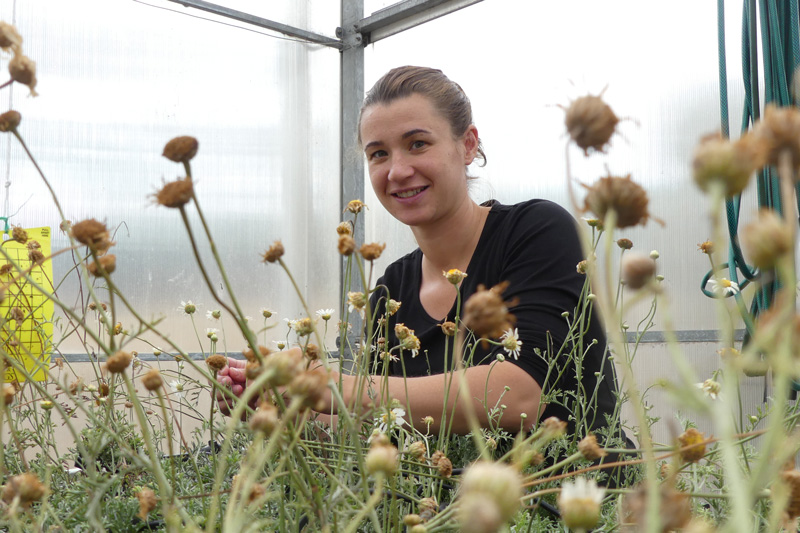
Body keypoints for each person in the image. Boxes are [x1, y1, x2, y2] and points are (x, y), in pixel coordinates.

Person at [218, 66, 623, 441]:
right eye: (378, 153)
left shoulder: (534, 231)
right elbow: (379, 423)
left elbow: (519, 397)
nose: (396, 170)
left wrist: (329, 384)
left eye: (417, 144)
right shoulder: (390, 288)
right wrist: (287, 405)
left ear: (467, 145)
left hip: (581, 501)